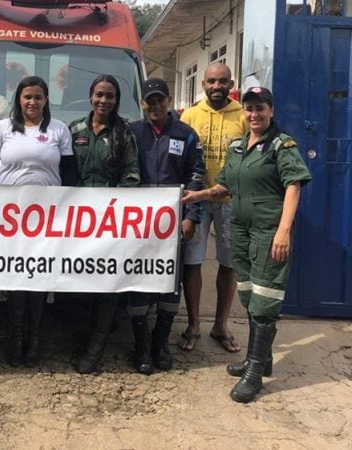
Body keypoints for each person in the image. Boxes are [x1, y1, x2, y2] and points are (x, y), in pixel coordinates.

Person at [182, 87, 311, 403]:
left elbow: (293, 186)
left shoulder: (282, 146)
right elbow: (225, 185)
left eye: (260, 109)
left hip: (269, 230)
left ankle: (255, 371)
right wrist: (197, 196)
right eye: (249, 109)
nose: (254, 114)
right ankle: (261, 358)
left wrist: (284, 231)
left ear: (271, 111)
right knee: (249, 292)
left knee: (265, 298)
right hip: (239, 228)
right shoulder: (238, 146)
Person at [0, 75, 78, 368]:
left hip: (47, 217)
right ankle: (15, 336)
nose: (32, 102)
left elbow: (70, 174)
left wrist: (66, 210)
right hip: (10, 216)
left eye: (38, 97)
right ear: (19, 100)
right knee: (15, 276)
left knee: (37, 277)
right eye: (27, 97)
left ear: (46, 100)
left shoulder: (59, 130)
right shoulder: (2, 129)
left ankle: (35, 339)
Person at [129, 78, 205, 374]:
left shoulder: (185, 134)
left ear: (169, 100)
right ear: (142, 104)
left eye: (160, 99)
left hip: (174, 223)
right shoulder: (132, 132)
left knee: (169, 283)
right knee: (138, 281)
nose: (155, 105)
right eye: (150, 101)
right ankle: (141, 346)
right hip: (139, 224)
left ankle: (161, 344)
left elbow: (197, 175)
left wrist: (191, 215)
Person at [69, 74, 140, 374]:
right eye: (99, 94)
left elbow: (132, 175)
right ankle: (83, 335)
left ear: (116, 100)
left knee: (107, 283)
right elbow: (64, 172)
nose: (103, 101)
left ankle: (96, 347)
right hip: (76, 220)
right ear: (90, 96)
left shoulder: (124, 133)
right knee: (80, 279)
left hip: (110, 220)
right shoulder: (74, 130)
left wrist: (110, 207)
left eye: (110, 96)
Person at [179, 62, 246, 354]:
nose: (217, 86)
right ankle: (193, 324)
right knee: (192, 261)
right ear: (203, 84)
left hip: (232, 202)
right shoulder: (190, 116)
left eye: (223, 82)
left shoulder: (244, 116)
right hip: (197, 201)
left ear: (231, 84)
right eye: (211, 81)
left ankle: (220, 325)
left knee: (228, 264)